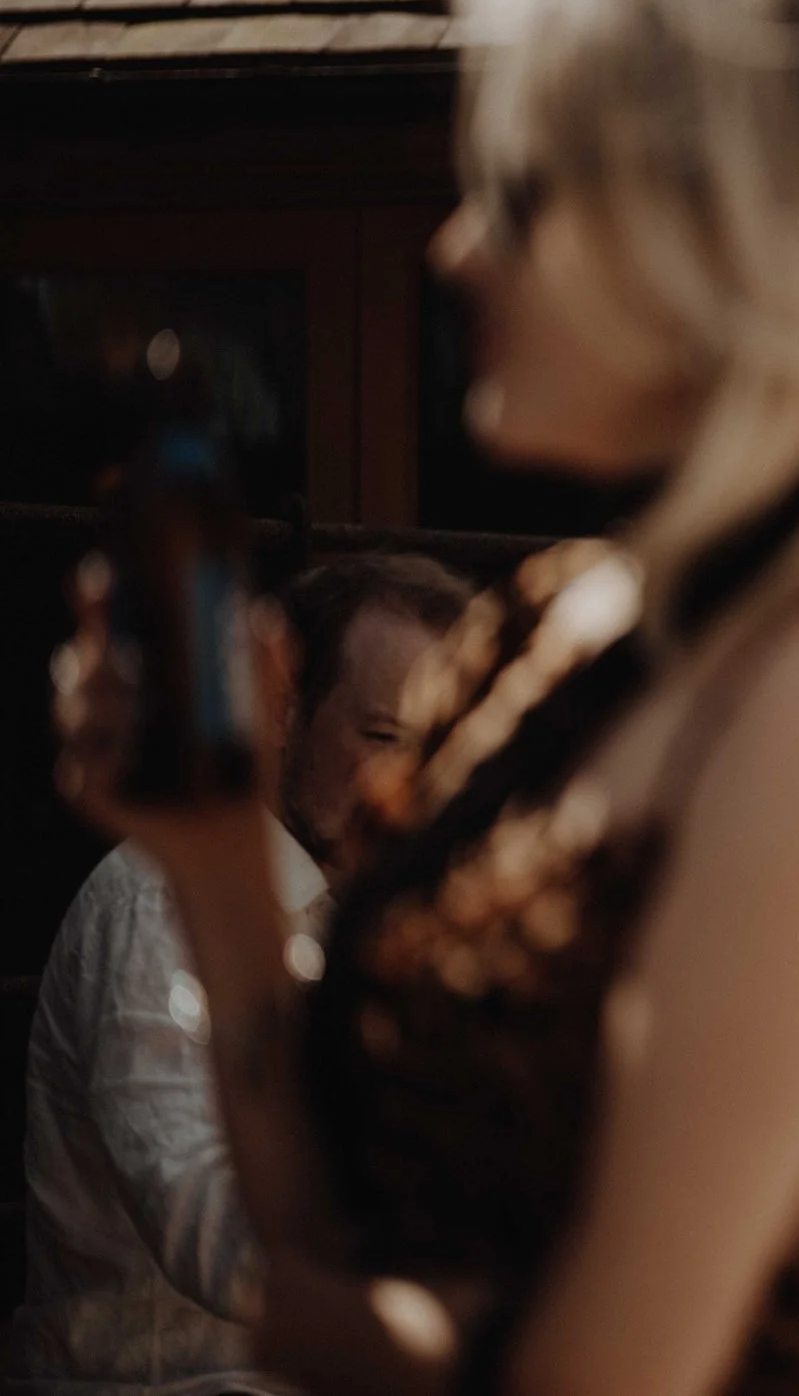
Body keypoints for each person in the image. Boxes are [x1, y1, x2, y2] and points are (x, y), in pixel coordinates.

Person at [50, 0, 799, 1396]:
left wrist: (325, 1327)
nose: (455, 249)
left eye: (517, 193)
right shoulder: (553, 628)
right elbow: (323, 1220)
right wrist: (208, 848)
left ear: (717, 236)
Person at [9, 552, 471, 1396]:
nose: (414, 780)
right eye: (380, 736)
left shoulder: (399, 911)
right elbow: (200, 1221)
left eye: (439, 744)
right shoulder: (156, 895)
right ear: (285, 714)